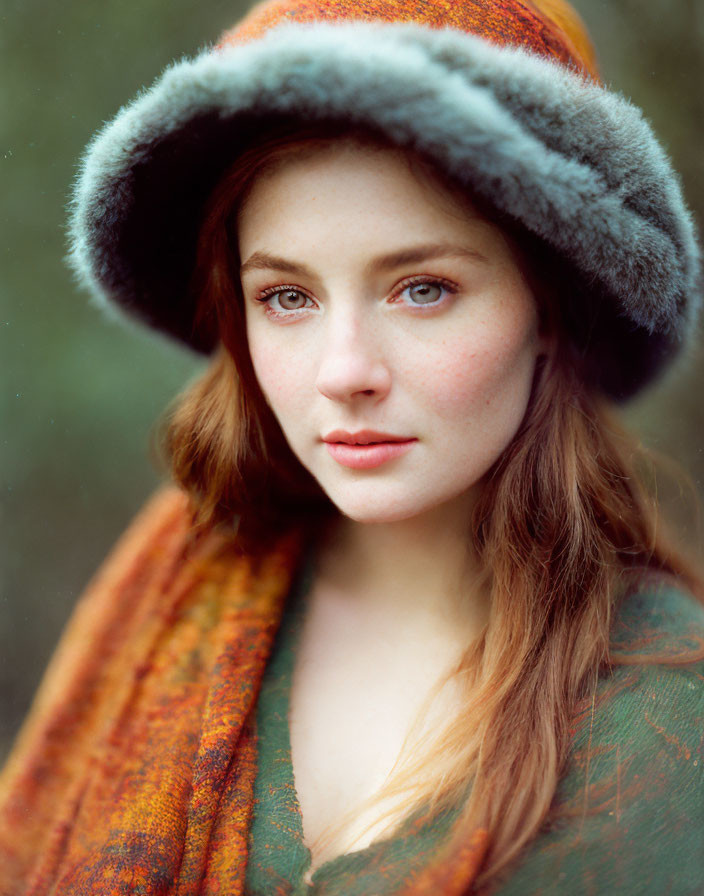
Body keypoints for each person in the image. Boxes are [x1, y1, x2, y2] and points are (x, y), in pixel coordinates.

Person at [1, 0, 703, 893]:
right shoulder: (171, 588)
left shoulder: (671, 729)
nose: (344, 373)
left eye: (422, 288)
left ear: (550, 311)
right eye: (287, 298)